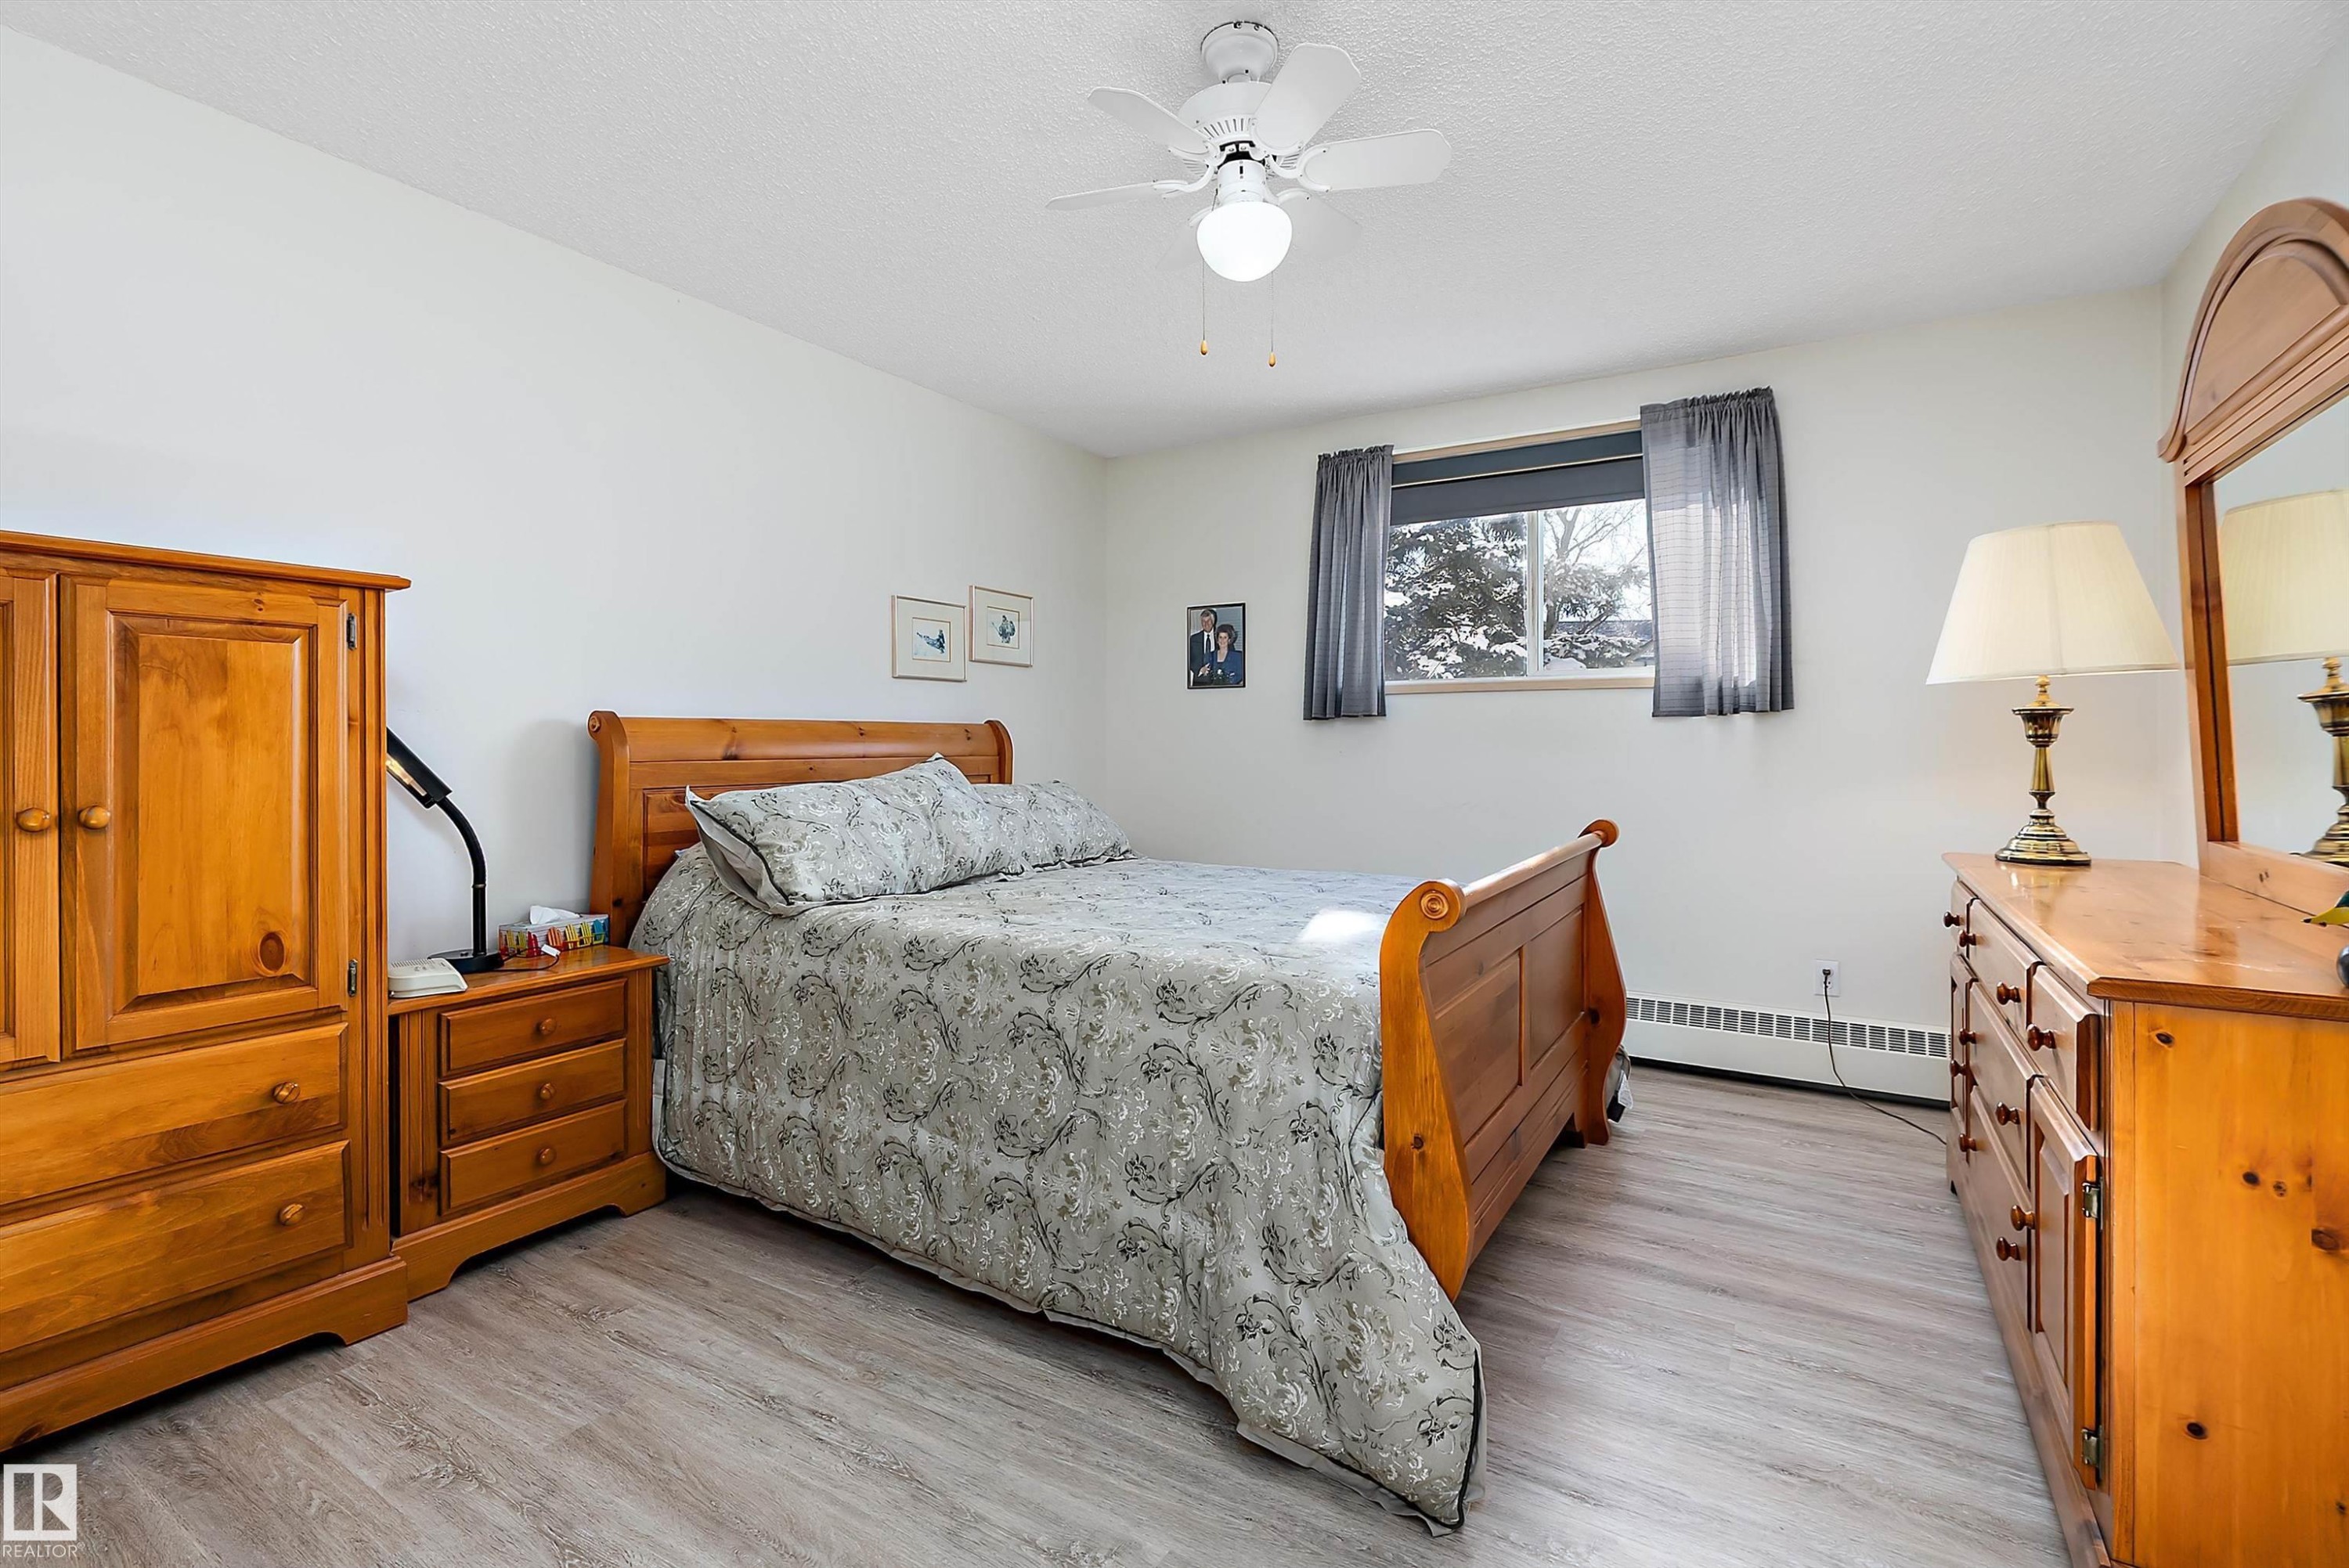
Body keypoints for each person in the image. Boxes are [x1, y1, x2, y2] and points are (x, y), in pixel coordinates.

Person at [1202, 622, 1245, 687]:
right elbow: (1205, 677)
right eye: (1220, 637)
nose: (1222, 640)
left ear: (1229, 640)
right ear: (1217, 640)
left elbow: (1242, 677)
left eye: (1225, 637)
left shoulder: (1238, 657)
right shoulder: (1209, 656)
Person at [1188, 607, 1220, 685]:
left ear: (1213, 621)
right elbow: (1188, 660)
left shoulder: (1221, 638)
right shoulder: (1193, 639)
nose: (1206, 624)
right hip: (1199, 681)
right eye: (1203, 621)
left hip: (1218, 681)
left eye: (1208, 621)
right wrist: (1199, 670)